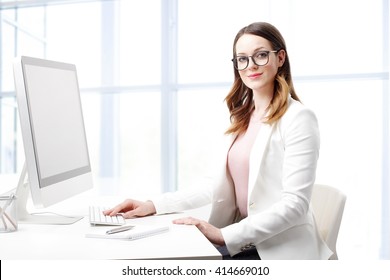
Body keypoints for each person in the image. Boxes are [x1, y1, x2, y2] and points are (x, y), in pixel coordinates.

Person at [104, 22, 333, 260]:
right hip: (247, 242)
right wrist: (153, 205)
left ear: (280, 57)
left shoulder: (299, 118)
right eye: (242, 59)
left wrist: (223, 235)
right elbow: (214, 185)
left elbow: (295, 206)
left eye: (261, 55)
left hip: (279, 250)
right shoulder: (242, 116)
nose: (251, 65)